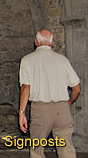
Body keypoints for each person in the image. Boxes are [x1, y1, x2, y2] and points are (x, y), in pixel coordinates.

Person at [19, 29, 81, 158]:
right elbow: (77, 88)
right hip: (62, 109)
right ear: (52, 43)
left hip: (40, 109)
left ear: (36, 42)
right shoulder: (62, 60)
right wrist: (69, 102)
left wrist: (22, 112)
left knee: (37, 150)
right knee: (66, 149)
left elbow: (26, 87)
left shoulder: (28, 60)